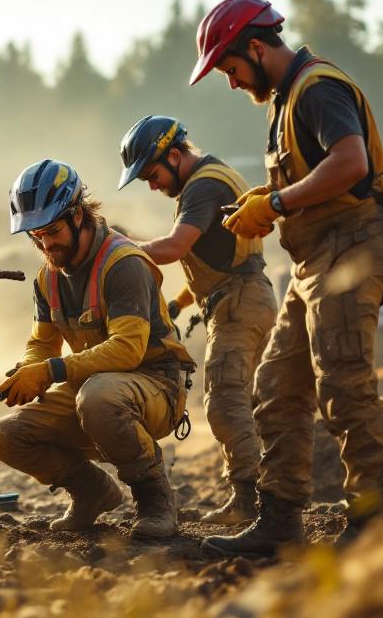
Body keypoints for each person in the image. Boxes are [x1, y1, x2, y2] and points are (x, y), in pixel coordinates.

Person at [189, 0, 383, 555]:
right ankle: (280, 523)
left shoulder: (317, 88)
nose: (232, 83)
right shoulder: (284, 100)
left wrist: (278, 203)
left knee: (344, 384)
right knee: (277, 387)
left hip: (352, 248)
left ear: (256, 48)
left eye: (231, 69)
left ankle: (374, 525)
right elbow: (319, 173)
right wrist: (270, 198)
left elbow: (351, 162)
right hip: (316, 260)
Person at [0, 160, 197, 540]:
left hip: (155, 386)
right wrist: (29, 369)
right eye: (35, 235)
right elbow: (42, 342)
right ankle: (91, 492)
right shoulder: (47, 275)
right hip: (93, 387)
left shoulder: (123, 264)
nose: (46, 244)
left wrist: (50, 371)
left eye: (52, 231)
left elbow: (128, 351)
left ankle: (153, 497)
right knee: (6, 436)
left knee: (97, 398)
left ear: (78, 214)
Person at [119, 116, 277, 525]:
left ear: (174, 155)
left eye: (152, 174)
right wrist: (179, 303)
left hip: (238, 305)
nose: (152, 185)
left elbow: (174, 247)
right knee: (252, 402)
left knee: (224, 400)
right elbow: (218, 256)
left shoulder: (202, 188)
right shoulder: (214, 176)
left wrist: (118, 250)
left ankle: (249, 502)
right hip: (246, 296)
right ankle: (270, 495)